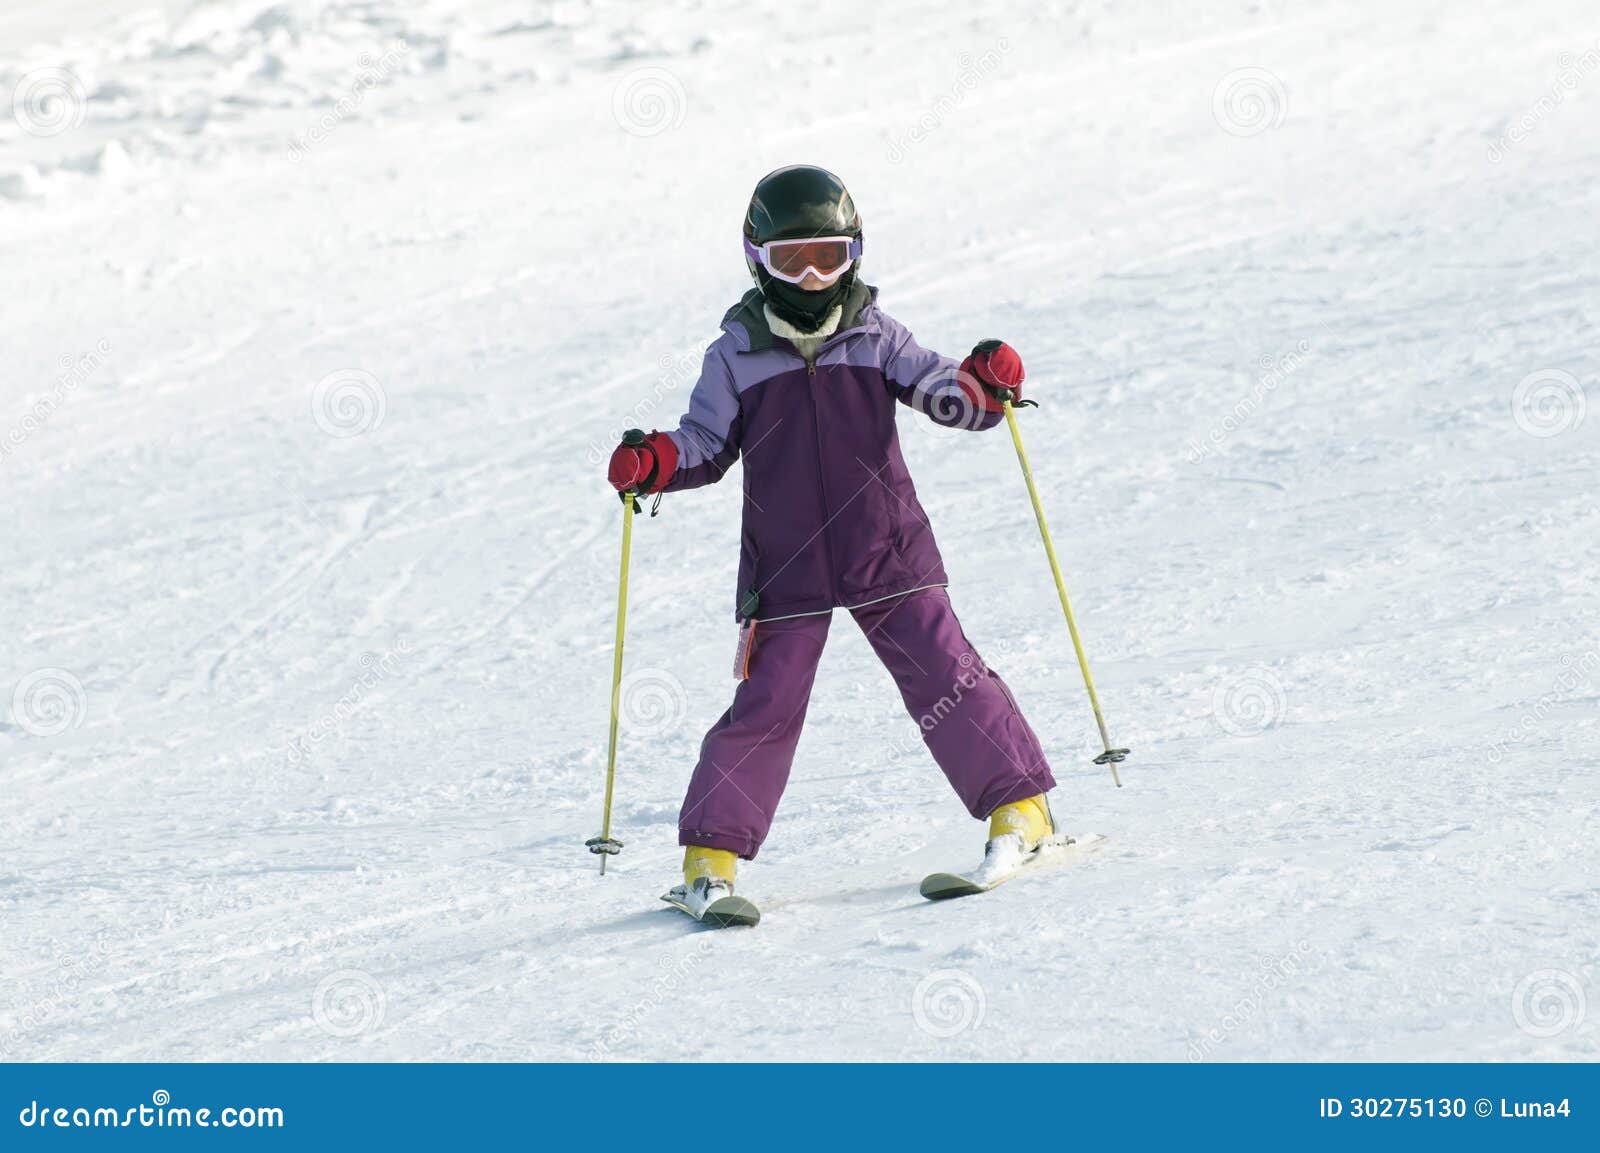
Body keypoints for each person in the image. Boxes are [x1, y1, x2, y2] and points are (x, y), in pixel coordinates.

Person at [606, 164, 1057, 914]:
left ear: (855, 253)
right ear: (757, 260)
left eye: (830, 257)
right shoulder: (736, 355)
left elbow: (945, 391)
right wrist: (655, 461)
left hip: (888, 550)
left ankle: (1023, 811)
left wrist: (984, 384)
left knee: (946, 675)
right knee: (766, 706)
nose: (813, 278)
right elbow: (704, 444)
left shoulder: (876, 337)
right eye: (792, 260)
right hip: (786, 569)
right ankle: (709, 858)